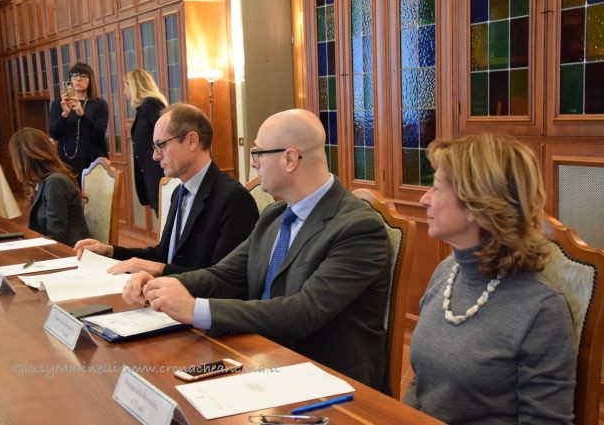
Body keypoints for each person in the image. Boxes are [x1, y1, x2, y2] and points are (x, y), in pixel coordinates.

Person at [122, 109, 391, 390]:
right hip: (258, 357)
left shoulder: (358, 228)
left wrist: (195, 309)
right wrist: (162, 285)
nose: (254, 163)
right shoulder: (274, 216)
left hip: (326, 379)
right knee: (161, 384)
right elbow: (224, 275)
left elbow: (303, 312)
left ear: (289, 159)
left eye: (258, 153)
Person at [404, 134, 576, 424]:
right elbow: (421, 382)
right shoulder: (446, 271)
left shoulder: (542, 310)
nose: (424, 199)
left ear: (477, 206)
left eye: (436, 188)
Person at [74, 103, 259, 276]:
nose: (155, 156)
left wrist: (158, 269)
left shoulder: (233, 200)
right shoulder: (179, 192)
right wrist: (111, 252)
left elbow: (222, 279)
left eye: (161, 145)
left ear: (191, 141)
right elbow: (164, 255)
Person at [8, 127, 91, 247]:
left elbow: (57, 237)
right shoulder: (41, 182)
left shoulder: (55, 182)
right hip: (57, 250)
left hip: (70, 252)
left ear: (24, 159)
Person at [49, 62, 109, 184]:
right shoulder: (58, 104)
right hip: (66, 161)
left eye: (83, 75)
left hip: (93, 161)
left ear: (90, 80)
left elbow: (99, 135)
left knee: (93, 195)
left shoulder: (99, 104)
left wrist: (82, 115)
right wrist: (64, 115)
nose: (78, 78)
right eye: (74, 75)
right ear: (70, 80)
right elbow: (54, 134)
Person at [125, 69, 168, 215]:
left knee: (165, 220)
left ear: (135, 86)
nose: (124, 92)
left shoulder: (151, 104)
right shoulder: (143, 108)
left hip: (159, 174)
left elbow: (166, 136)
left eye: (126, 86)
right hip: (152, 175)